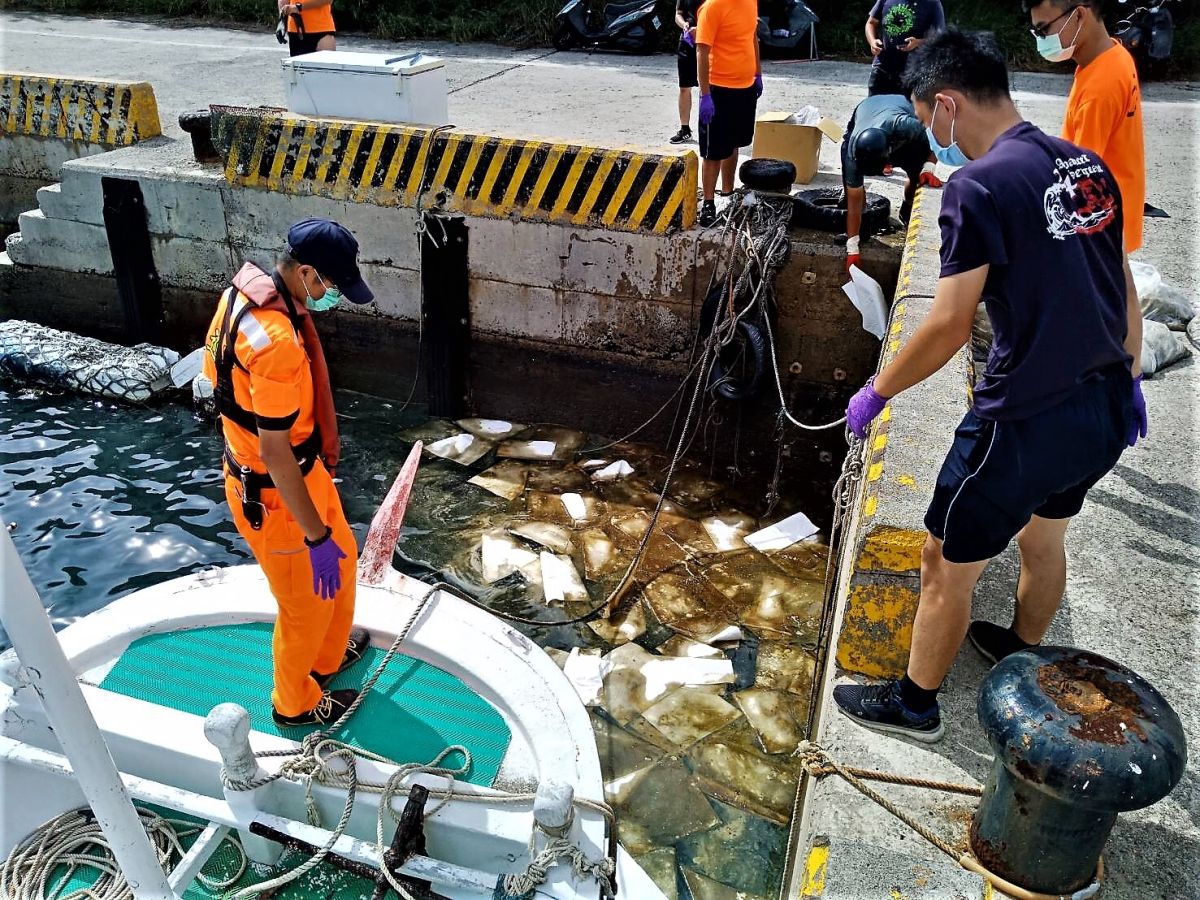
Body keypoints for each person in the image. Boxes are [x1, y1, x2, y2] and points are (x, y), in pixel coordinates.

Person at [834, 29, 1146, 742]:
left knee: (944, 559)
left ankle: (915, 704)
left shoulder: (975, 188)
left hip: (1022, 419)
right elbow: (1120, 280)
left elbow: (947, 326)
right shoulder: (1084, 166)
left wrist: (878, 391)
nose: (930, 137)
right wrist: (1127, 376)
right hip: (1101, 412)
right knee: (1045, 536)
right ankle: (1020, 651)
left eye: (926, 119)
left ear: (947, 105)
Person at [202, 218, 376, 727]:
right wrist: (314, 536)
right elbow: (275, 455)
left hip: (305, 473)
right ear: (305, 274)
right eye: (330, 286)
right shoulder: (275, 344)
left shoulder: (245, 298)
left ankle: (328, 657)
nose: (333, 298)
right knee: (303, 604)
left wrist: (327, 541)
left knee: (342, 568)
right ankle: (295, 702)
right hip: (275, 494)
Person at [1025, 0, 1145, 253]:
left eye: (1044, 29)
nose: (1041, 40)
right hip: (1115, 218)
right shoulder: (1114, 56)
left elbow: (1079, 175)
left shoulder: (1099, 88)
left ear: (1079, 15)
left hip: (1098, 229)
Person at [841, 93, 942, 270]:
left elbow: (939, 131)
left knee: (916, 176)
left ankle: (907, 209)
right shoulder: (853, 155)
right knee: (855, 190)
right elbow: (853, 202)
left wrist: (929, 166)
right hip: (866, 110)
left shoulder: (907, 127)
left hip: (899, 116)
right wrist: (852, 248)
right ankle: (862, 230)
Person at [696, 0, 762, 227]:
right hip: (717, 89)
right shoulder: (712, 7)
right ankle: (708, 202)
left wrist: (757, 73)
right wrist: (705, 95)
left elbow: (752, 38)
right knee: (713, 150)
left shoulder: (750, 2)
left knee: (734, 143)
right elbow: (701, 51)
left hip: (744, 87)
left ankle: (727, 193)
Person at [865, 0, 945, 97]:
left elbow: (940, 38)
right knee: (875, 108)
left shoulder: (932, 3)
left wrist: (918, 43)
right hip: (882, 67)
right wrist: (872, 42)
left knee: (906, 110)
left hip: (912, 72)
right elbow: (871, 22)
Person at [671, 0, 707, 145]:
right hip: (687, 42)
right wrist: (683, 24)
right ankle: (684, 129)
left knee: (711, 86)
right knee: (684, 87)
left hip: (708, 41)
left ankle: (711, 127)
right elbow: (678, 15)